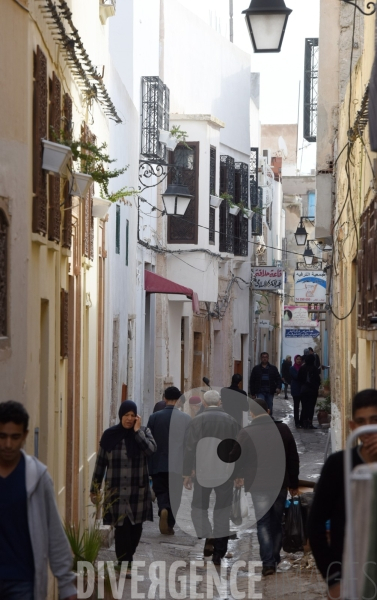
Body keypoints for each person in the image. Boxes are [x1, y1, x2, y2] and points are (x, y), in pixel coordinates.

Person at [0, 401, 77, 600]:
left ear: (25, 435)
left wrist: (66, 585)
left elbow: (54, 533)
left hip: (23, 583)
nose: (8, 444)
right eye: (2, 436)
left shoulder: (37, 476)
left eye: (15, 437)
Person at [308, 389, 377, 600]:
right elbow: (315, 523)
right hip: (351, 574)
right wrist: (333, 579)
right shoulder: (338, 465)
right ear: (352, 426)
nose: (368, 429)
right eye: (361, 422)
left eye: (374, 420)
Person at [233, 398, 299, 577]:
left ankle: (268, 562)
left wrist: (238, 475)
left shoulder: (247, 432)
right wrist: (294, 483)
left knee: (263, 523)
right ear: (268, 411)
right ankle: (274, 557)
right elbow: (293, 458)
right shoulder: (283, 430)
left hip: (259, 484)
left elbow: (236, 456)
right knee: (277, 521)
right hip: (280, 484)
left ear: (252, 414)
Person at [90, 400, 156, 578]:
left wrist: (137, 433)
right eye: (126, 415)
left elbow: (151, 450)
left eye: (132, 415)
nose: (129, 418)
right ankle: (124, 563)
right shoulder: (110, 435)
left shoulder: (144, 433)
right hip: (117, 491)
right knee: (121, 528)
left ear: (137, 417)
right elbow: (100, 463)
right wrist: (94, 488)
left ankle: (128, 557)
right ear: (120, 415)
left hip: (138, 492)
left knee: (136, 529)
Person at [183, 390, 240, 566]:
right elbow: (238, 448)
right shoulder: (232, 421)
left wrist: (187, 472)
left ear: (205, 404)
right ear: (220, 402)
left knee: (198, 508)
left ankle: (208, 534)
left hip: (202, 472)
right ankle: (219, 553)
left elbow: (190, 448)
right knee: (222, 512)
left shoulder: (197, 421)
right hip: (225, 472)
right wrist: (238, 473)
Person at [147, 387, 191, 535]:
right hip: (178, 465)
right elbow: (189, 446)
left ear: (164, 398)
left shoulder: (154, 417)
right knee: (176, 495)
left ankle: (163, 508)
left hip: (158, 462)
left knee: (161, 492)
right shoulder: (186, 419)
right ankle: (169, 523)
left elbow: (149, 441)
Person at [298, 354, 321, 429]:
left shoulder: (302, 368)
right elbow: (318, 380)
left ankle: (304, 422)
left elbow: (299, 378)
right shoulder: (314, 369)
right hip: (313, 391)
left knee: (304, 407)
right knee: (311, 407)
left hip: (304, 390)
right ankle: (309, 422)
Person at [290, 355, 303, 428]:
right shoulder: (292, 368)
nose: (299, 360)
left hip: (302, 389)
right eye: (297, 359)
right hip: (295, 389)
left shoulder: (302, 367)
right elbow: (296, 376)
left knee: (303, 407)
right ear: (295, 360)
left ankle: (302, 421)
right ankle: (297, 422)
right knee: (296, 406)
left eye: (300, 359)